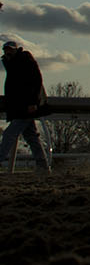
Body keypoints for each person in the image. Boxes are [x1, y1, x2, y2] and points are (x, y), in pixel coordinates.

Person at [1, 40, 50, 174]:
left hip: (25, 107)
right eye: (6, 50)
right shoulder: (14, 62)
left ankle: (43, 166)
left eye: (10, 50)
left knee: (9, 134)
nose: (7, 52)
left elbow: (36, 80)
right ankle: (43, 166)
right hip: (22, 107)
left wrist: (33, 102)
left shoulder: (23, 61)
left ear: (16, 50)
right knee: (32, 137)